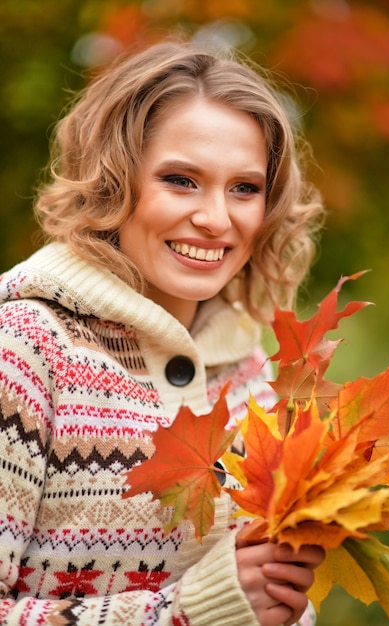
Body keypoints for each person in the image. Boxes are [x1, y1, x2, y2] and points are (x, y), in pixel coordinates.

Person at [0, 39, 326, 626]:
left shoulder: (250, 364)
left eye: (245, 188)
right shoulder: (24, 348)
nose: (216, 219)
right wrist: (189, 612)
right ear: (113, 181)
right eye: (181, 179)